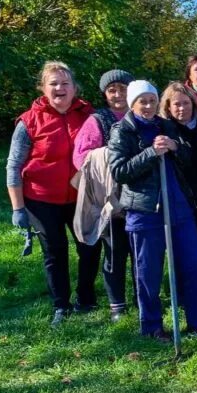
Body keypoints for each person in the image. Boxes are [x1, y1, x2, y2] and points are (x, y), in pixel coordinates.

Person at [109, 81, 197, 339]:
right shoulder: (123, 131)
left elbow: (188, 157)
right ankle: (152, 327)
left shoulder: (165, 125)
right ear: (132, 104)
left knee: (195, 266)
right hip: (145, 211)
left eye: (151, 100)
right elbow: (119, 171)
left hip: (179, 207)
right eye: (142, 101)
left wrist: (176, 147)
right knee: (148, 273)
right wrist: (151, 153)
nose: (147, 106)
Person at [7, 61, 101, 326]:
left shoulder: (89, 115)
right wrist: (17, 208)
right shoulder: (29, 121)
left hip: (81, 196)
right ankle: (61, 304)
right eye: (53, 84)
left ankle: (87, 299)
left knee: (90, 247)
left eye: (65, 83)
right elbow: (14, 165)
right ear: (43, 88)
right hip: (41, 199)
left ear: (74, 88)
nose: (60, 88)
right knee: (55, 251)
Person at [72, 68, 134, 321]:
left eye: (123, 89)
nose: (118, 94)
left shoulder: (142, 112)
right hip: (111, 197)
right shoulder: (98, 120)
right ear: (105, 94)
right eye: (112, 90)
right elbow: (81, 157)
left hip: (140, 195)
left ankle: (143, 300)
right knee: (115, 251)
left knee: (140, 253)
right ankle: (117, 305)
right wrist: (112, 156)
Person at [159, 82, 197, 293]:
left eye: (186, 103)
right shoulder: (165, 130)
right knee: (182, 249)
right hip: (180, 199)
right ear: (168, 107)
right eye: (176, 104)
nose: (181, 108)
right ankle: (185, 293)